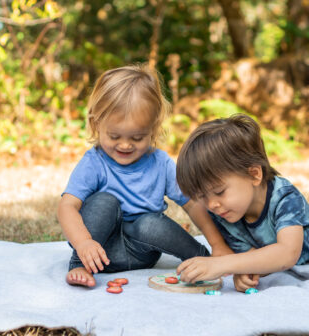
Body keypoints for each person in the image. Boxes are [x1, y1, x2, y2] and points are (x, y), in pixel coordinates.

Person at [58, 64, 231, 287]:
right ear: (96, 124)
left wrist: (217, 244)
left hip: (142, 252)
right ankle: (78, 265)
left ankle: (203, 257)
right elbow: (66, 207)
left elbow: (192, 203)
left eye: (138, 138)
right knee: (104, 202)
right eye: (114, 136)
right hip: (97, 250)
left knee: (148, 223)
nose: (125, 145)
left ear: (153, 128)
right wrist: (84, 244)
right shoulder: (94, 162)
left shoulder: (161, 163)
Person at [175, 114, 309, 292]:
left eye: (219, 192)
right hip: (266, 241)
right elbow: (250, 257)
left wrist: (221, 264)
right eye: (202, 196)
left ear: (254, 175)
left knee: (293, 225)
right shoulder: (225, 212)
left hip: (302, 245)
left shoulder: (285, 198)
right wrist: (244, 272)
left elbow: (288, 254)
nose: (211, 205)